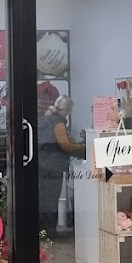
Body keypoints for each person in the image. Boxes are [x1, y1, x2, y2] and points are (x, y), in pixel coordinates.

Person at [36, 96, 83, 234]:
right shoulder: (59, 123)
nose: (70, 113)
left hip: (42, 164)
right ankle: (50, 231)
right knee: (51, 200)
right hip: (53, 166)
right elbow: (66, 146)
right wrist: (84, 148)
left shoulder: (47, 118)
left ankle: (42, 230)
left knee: (43, 199)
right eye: (70, 111)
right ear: (66, 109)